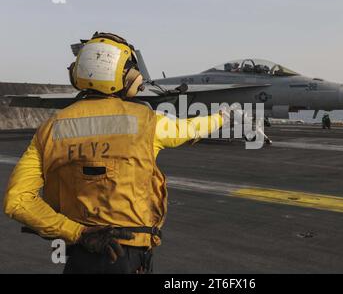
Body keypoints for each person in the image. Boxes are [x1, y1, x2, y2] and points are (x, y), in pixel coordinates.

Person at [3, 32, 225, 274]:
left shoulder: (50, 129)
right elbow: (191, 128)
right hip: (127, 255)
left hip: (80, 252)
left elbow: (17, 201)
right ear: (126, 75)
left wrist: (77, 232)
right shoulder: (148, 122)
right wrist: (223, 117)